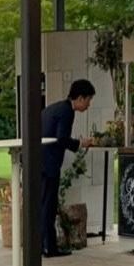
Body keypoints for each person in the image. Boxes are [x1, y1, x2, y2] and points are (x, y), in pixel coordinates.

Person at [41, 79, 96, 257]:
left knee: (42, 205)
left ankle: (41, 245)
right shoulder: (67, 112)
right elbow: (61, 139)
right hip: (49, 164)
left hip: (38, 162)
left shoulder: (53, 108)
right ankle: (50, 247)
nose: (88, 105)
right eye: (88, 100)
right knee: (49, 206)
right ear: (80, 98)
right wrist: (81, 143)